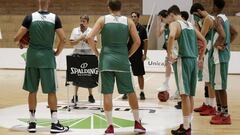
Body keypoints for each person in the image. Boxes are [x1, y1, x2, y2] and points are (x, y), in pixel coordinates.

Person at [86, 0, 146, 134]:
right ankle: (137, 123)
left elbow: (89, 37)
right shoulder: (128, 21)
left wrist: (97, 53)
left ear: (108, 7)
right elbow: (137, 41)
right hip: (122, 60)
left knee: (107, 93)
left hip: (106, 60)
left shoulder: (103, 19)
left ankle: (110, 126)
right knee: (130, 91)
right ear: (121, 7)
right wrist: (129, 54)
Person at [14, 0, 69, 133]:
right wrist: (57, 52)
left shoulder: (29, 17)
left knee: (32, 90)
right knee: (51, 91)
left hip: (32, 58)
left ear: (38, 2)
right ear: (48, 3)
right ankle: (55, 123)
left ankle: (32, 123)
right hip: (47, 58)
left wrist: (24, 42)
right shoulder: (55, 18)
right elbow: (63, 39)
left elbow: (16, 38)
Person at [167, 5, 206, 135]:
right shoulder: (190, 25)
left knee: (184, 95)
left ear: (172, 15)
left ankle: (185, 127)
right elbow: (204, 41)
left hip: (183, 61)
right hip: (194, 61)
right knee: (190, 95)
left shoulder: (175, 24)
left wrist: (169, 55)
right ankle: (187, 124)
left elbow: (171, 36)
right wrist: (200, 58)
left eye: (169, 17)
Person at [209, 0, 238, 125]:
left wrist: (217, 44)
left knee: (221, 87)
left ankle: (226, 115)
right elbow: (234, 33)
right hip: (220, 57)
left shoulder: (217, 20)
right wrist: (226, 44)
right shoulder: (225, 18)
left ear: (215, 6)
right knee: (217, 85)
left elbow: (223, 34)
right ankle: (220, 111)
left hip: (219, 58)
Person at [190, 3, 217, 116]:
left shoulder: (208, 19)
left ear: (199, 10)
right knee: (206, 80)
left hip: (210, 51)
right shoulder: (207, 19)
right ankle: (207, 103)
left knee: (209, 80)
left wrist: (195, 27)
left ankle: (212, 106)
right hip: (207, 51)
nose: (196, 17)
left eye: (195, 14)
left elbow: (201, 36)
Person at [69, 15, 97, 104]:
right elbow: (71, 43)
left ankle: (90, 95)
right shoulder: (75, 30)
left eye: (84, 21)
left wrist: (86, 40)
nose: (82, 23)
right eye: (81, 21)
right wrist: (80, 38)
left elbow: (94, 43)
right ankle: (75, 95)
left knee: (89, 75)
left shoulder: (92, 31)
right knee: (76, 75)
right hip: (77, 54)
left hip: (88, 54)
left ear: (87, 22)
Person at [122, 11, 148, 100]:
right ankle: (125, 92)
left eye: (135, 16)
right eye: (132, 16)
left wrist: (145, 54)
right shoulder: (127, 28)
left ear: (138, 17)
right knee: (126, 74)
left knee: (140, 74)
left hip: (138, 54)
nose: (133, 18)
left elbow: (145, 42)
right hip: (127, 54)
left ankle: (142, 92)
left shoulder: (142, 29)